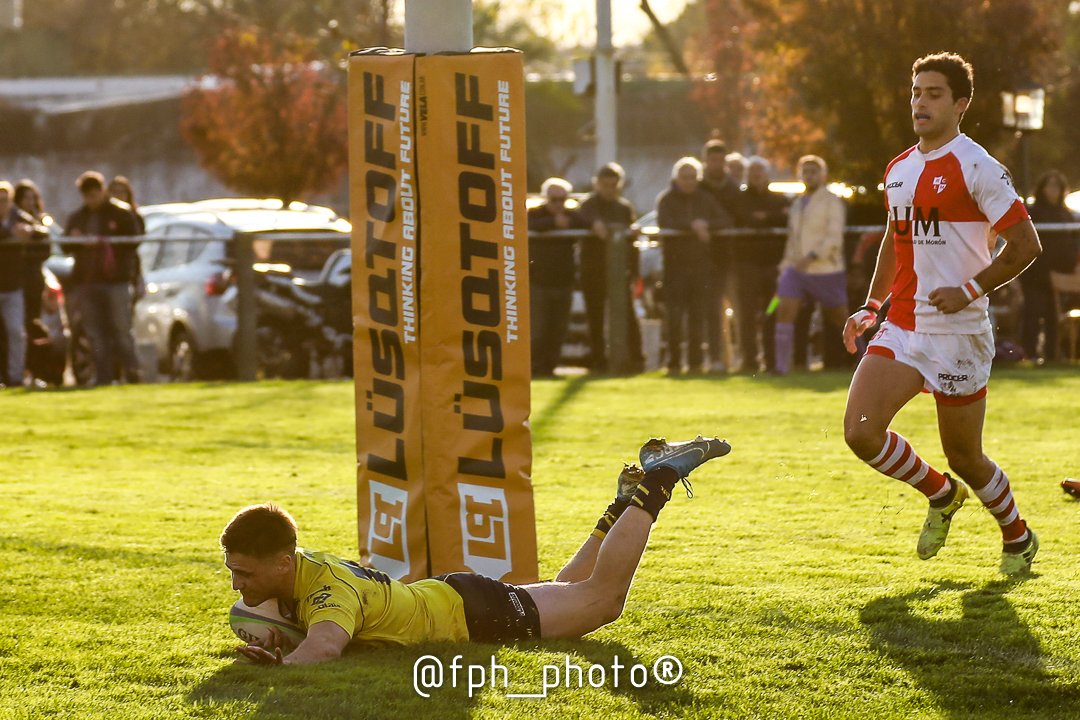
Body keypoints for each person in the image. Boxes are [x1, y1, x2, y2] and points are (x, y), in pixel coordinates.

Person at [222, 435, 731, 665]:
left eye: (243, 573)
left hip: (473, 615)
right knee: (570, 591)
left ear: (283, 562)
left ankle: (660, 479)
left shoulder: (327, 593)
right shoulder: (305, 570)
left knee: (602, 601)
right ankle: (621, 505)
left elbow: (326, 647)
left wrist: (284, 666)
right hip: (454, 598)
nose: (236, 584)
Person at [843, 52, 1042, 575]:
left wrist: (970, 289)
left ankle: (1018, 536)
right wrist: (871, 306)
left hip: (959, 333)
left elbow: (1026, 245)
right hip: (904, 325)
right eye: (916, 92)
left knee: (965, 456)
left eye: (933, 94)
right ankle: (941, 493)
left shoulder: (979, 167)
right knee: (860, 432)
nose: (920, 102)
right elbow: (895, 239)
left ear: (960, 104)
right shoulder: (899, 169)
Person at [62, 170, 142, 386]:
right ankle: (103, 376)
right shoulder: (78, 217)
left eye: (94, 194)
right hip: (87, 282)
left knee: (121, 328)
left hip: (116, 281)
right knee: (95, 332)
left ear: (102, 191)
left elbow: (134, 241)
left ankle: (132, 372)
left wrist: (105, 241)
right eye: (86, 196)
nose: (91, 200)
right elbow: (65, 246)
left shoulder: (121, 213)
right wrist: (76, 240)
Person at [773, 155, 848, 375]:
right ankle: (781, 367)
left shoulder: (832, 201)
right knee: (784, 311)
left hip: (826, 269)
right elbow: (792, 241)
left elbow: (834, 237)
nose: (809, 175)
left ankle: (864, 359)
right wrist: (784, 268)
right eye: (805, 172)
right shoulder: (797, 204)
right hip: (796, 270)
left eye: (813, 171)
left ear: (823, 175)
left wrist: (813, 256)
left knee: (840, 317)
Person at [656, 157, 728, 374]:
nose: (688, 181)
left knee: (698, 316)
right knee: (675, 317)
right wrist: (692, 226)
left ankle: (695, 362)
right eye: (684, 177)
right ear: (676, 178)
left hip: (700, 266)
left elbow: (724, 220)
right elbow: (665, 221)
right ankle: (674, 362)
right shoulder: (666, 200)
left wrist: (706, 224)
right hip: (675, 268)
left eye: (692, 177)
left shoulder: (706, 199)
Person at [576, 162, 644, 373]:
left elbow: (631, 240)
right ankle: (598, 360)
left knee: (628, 316)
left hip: (618, 272)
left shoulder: (623, 208)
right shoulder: (588, 205)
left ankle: (635, 359)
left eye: (613, 185)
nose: (609, 189)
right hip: (593, 270)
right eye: (605, 185)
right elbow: (582, 218)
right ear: (597, 184)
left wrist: (634, 269)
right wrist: (594, 223)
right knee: (595, 317)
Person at [732, 157, 789, 373]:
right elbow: (743, 217)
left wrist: (765, 217)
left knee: (771, 311)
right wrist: (770, 218)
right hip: (746, 267)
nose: (756, 175)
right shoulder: (739, 199)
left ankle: (771, 360)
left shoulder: (779, 199)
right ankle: (749, 360)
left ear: (767, 174)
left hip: (773, 268)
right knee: (746, 313)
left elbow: (786, 219)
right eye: (752, 171)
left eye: (760, 171)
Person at [527, 178, 585, 378]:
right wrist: (553, 223)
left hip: (564, 281)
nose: (559, 204)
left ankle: (550, 368)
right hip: (539, 282)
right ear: (545, 198)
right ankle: (535, 368)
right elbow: (527, 224)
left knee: (558, 329)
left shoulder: (572, 216)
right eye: (554, 199)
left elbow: (585, 221)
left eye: (562, 199)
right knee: (538, 329)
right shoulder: (534, 214)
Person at [1021, 170, 1078, 363]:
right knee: (1033, 314)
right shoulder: (1033, 212)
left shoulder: (1067, 215)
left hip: (1060, 276)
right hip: (1035, 275)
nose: (1053, 190)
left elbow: (1073, 243)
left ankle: (1052, 355)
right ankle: (1029, 354)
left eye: (1057, 186)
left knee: (1054, 316)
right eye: (1049, 185)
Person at [700, 140, 741, 373]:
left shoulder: (733, 188)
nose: (716, 164)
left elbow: (737, 218)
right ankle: (717, 358)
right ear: (705, 160)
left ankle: (744, 357)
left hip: (732, 257)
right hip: (705, 259)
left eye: (720, 160)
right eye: (712, 159)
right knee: (713, 313)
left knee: (740, 311)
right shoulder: (698, 188)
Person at [0, 181, 33, 388]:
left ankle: (15, 377)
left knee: (16, 332)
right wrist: (11, 234)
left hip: (13, 286)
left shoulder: (20, 218)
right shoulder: (10, 227)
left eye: (5, 200)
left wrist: (29, 231)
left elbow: (42, 231)